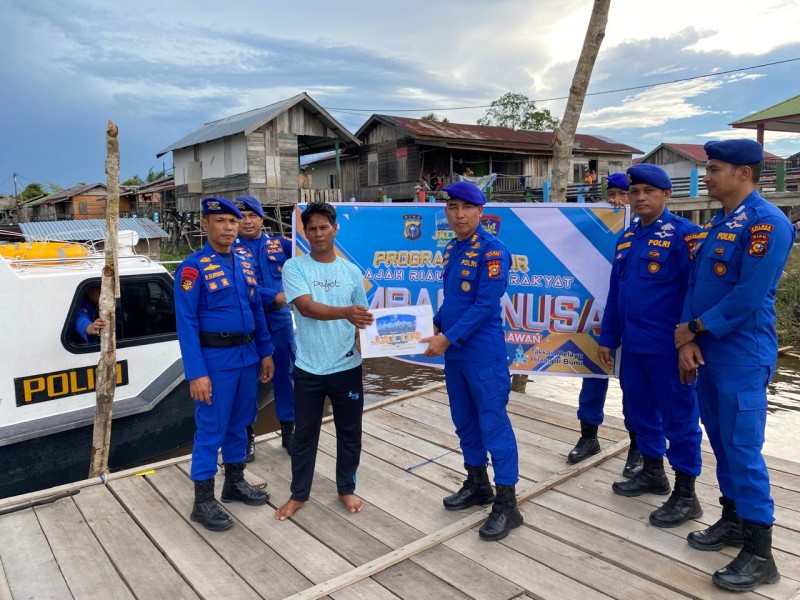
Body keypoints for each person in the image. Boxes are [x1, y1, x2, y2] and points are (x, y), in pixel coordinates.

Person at [676, 139, 796, 592]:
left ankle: (761, 553)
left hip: (743, 355)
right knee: (722, 443)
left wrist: (695, 328)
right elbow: (696, 284)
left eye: (714, 169)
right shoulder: (720, 222)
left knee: (743, 448)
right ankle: (733, 519)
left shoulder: (768, 223)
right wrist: (688, 338)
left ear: (743, 174)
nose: (706, 176)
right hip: (708, 351)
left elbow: (749, 295)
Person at [598, 164, 704, 529]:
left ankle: (687, 495)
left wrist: (689, 341)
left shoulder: (684, 235)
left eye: (649, 191)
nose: (640, 198)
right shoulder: (627, 238)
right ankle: (653, 473)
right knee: (638, 412)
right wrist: (608, 338)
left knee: (680, 418)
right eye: (635, 191)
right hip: (633, 346)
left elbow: (695, 293)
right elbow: (617, 292)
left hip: (668, 348)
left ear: (666, 195)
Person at [421, 180, 522, 542]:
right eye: (452, 207)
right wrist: (435, 323)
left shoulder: (492, 251)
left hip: (482, 355)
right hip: (456, 355)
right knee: (464, 421)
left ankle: (507, 503)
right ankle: (478, 483)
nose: (459, 215)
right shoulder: (453, 249)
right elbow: (454, 301)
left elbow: (484, 305)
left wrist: (446, 337)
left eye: (466, 208)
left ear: (480, 212)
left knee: (493, 424)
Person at [174, 197, 275, 532]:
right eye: (220, 221)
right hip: (215, 361)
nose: (229, 227)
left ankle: (234, 483)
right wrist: (196, 373)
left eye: (233, 221)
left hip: (247, 356)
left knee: (240, 423)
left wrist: (266, 351)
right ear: (205, 224)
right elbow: (186, 322)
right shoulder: (192, 268)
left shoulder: (244, 262)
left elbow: (257, 309)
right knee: (211, 429)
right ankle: (202, 501)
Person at [275, 201, 374, 521]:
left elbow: (362, 318)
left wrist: (363, 335)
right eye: (312, 228)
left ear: (335, 229)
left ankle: (346, 488)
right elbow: (305, 308)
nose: (318, 233)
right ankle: (298, 494)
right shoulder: (295, 267)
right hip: (308, 368)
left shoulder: (351, 271)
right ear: (305, 232)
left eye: (324, 227)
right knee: (304, 435)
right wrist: (346, 313)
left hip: (347, 367)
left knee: (350, 432)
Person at [568, 173, 642, 479]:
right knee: (592, 377)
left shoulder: (645, 230)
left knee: (635, 386)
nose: (616, 201)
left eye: (623, 195)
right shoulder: (596, 225)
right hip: (597, 313)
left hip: (634, 319)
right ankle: (589, 436)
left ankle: (639, 447)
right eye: (612, 194)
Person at [233, 195, 296, 460]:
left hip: (279, 321)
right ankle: (247, 437)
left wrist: (302, 220)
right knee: (248, 379)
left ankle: (289, 432)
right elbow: (238, 286)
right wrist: (274, 296)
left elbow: (310, 253)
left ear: (261, 219)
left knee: (286, 375)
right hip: (247, 322)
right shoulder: (228, 249)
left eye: (253, 216)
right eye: (242, 217)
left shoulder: (280, 244)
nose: (247, 221)